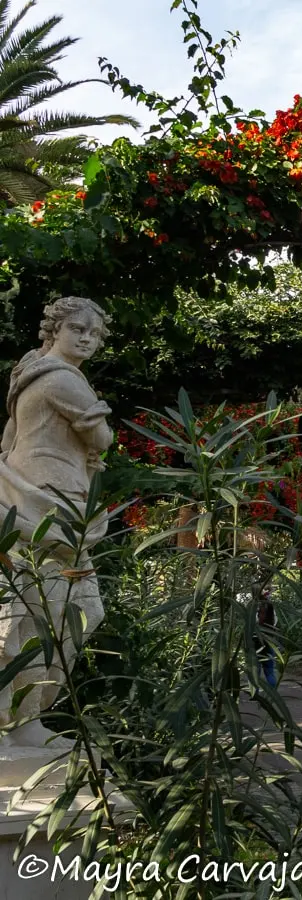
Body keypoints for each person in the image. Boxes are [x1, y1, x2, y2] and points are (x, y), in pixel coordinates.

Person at [0, 297, 112, 747]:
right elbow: (102, 436)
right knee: (56, 613)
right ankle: (20, 724)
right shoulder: (62, 378)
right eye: (78, 329)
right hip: (48, 502)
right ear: (54, 330)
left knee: (40, 613)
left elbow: (10, 440)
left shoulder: (27, 374)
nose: (87, 338)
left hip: (32, 492)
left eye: (95, 333)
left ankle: (23, 722)